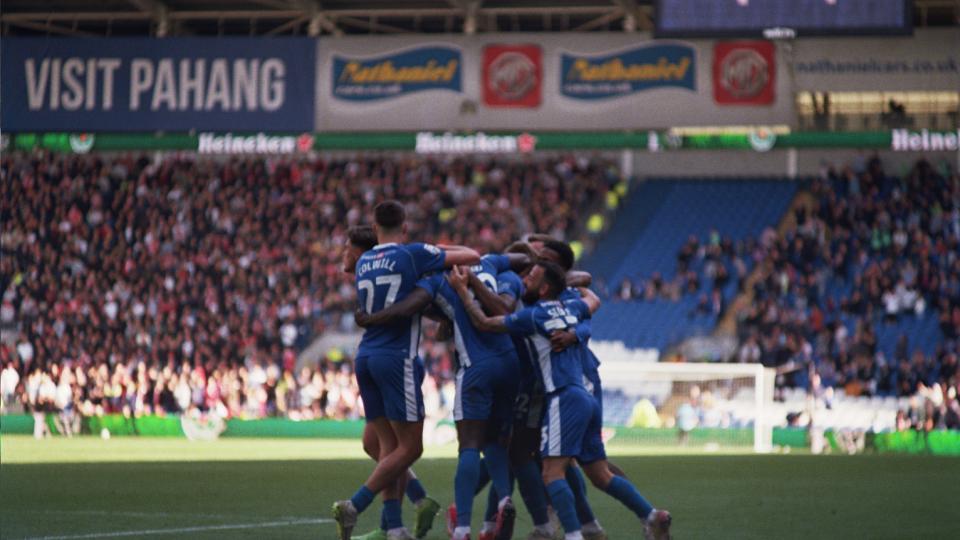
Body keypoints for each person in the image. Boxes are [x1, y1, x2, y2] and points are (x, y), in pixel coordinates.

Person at [449, 261, 672, 540]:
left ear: (543, 288)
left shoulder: (532, 316)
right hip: (586, 395)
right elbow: (593, 300)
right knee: (600, 474)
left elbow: (484, 322)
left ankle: (573, 535)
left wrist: (462, 290)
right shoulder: (571, 307)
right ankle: (652, 516)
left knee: (552, 472)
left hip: (562, 397)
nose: (524, 280)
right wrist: (575, 323)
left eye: (531, 277)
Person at [356, 249, 532, 540]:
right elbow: (522, 259)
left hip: (476, 365)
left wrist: (370, 317)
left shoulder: (436, 281)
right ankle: (503, 499)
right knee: (497, 441)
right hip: (509, 363)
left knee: (470, 445)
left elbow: (407, 308)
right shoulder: (490, 263)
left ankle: (462, 526)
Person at [333, 201, 480, 540]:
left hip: (365, 355)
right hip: (396, 357)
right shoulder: (413, 254)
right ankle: (355, 504)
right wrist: (434, 251)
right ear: (405, 226)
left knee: (386, 446)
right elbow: (470, 255)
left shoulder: (364, 261)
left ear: (373, 224)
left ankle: (397, 526)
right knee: (410, 448)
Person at [339, 225, 441, 540]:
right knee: (380, 445)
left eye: (347, 248)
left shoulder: (382, 266)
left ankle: (368, 512)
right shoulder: (378, 270)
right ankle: (414, 507)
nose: (344, 253)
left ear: (361, 252)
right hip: (381, 357)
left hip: (393, 359)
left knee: (396, 447)